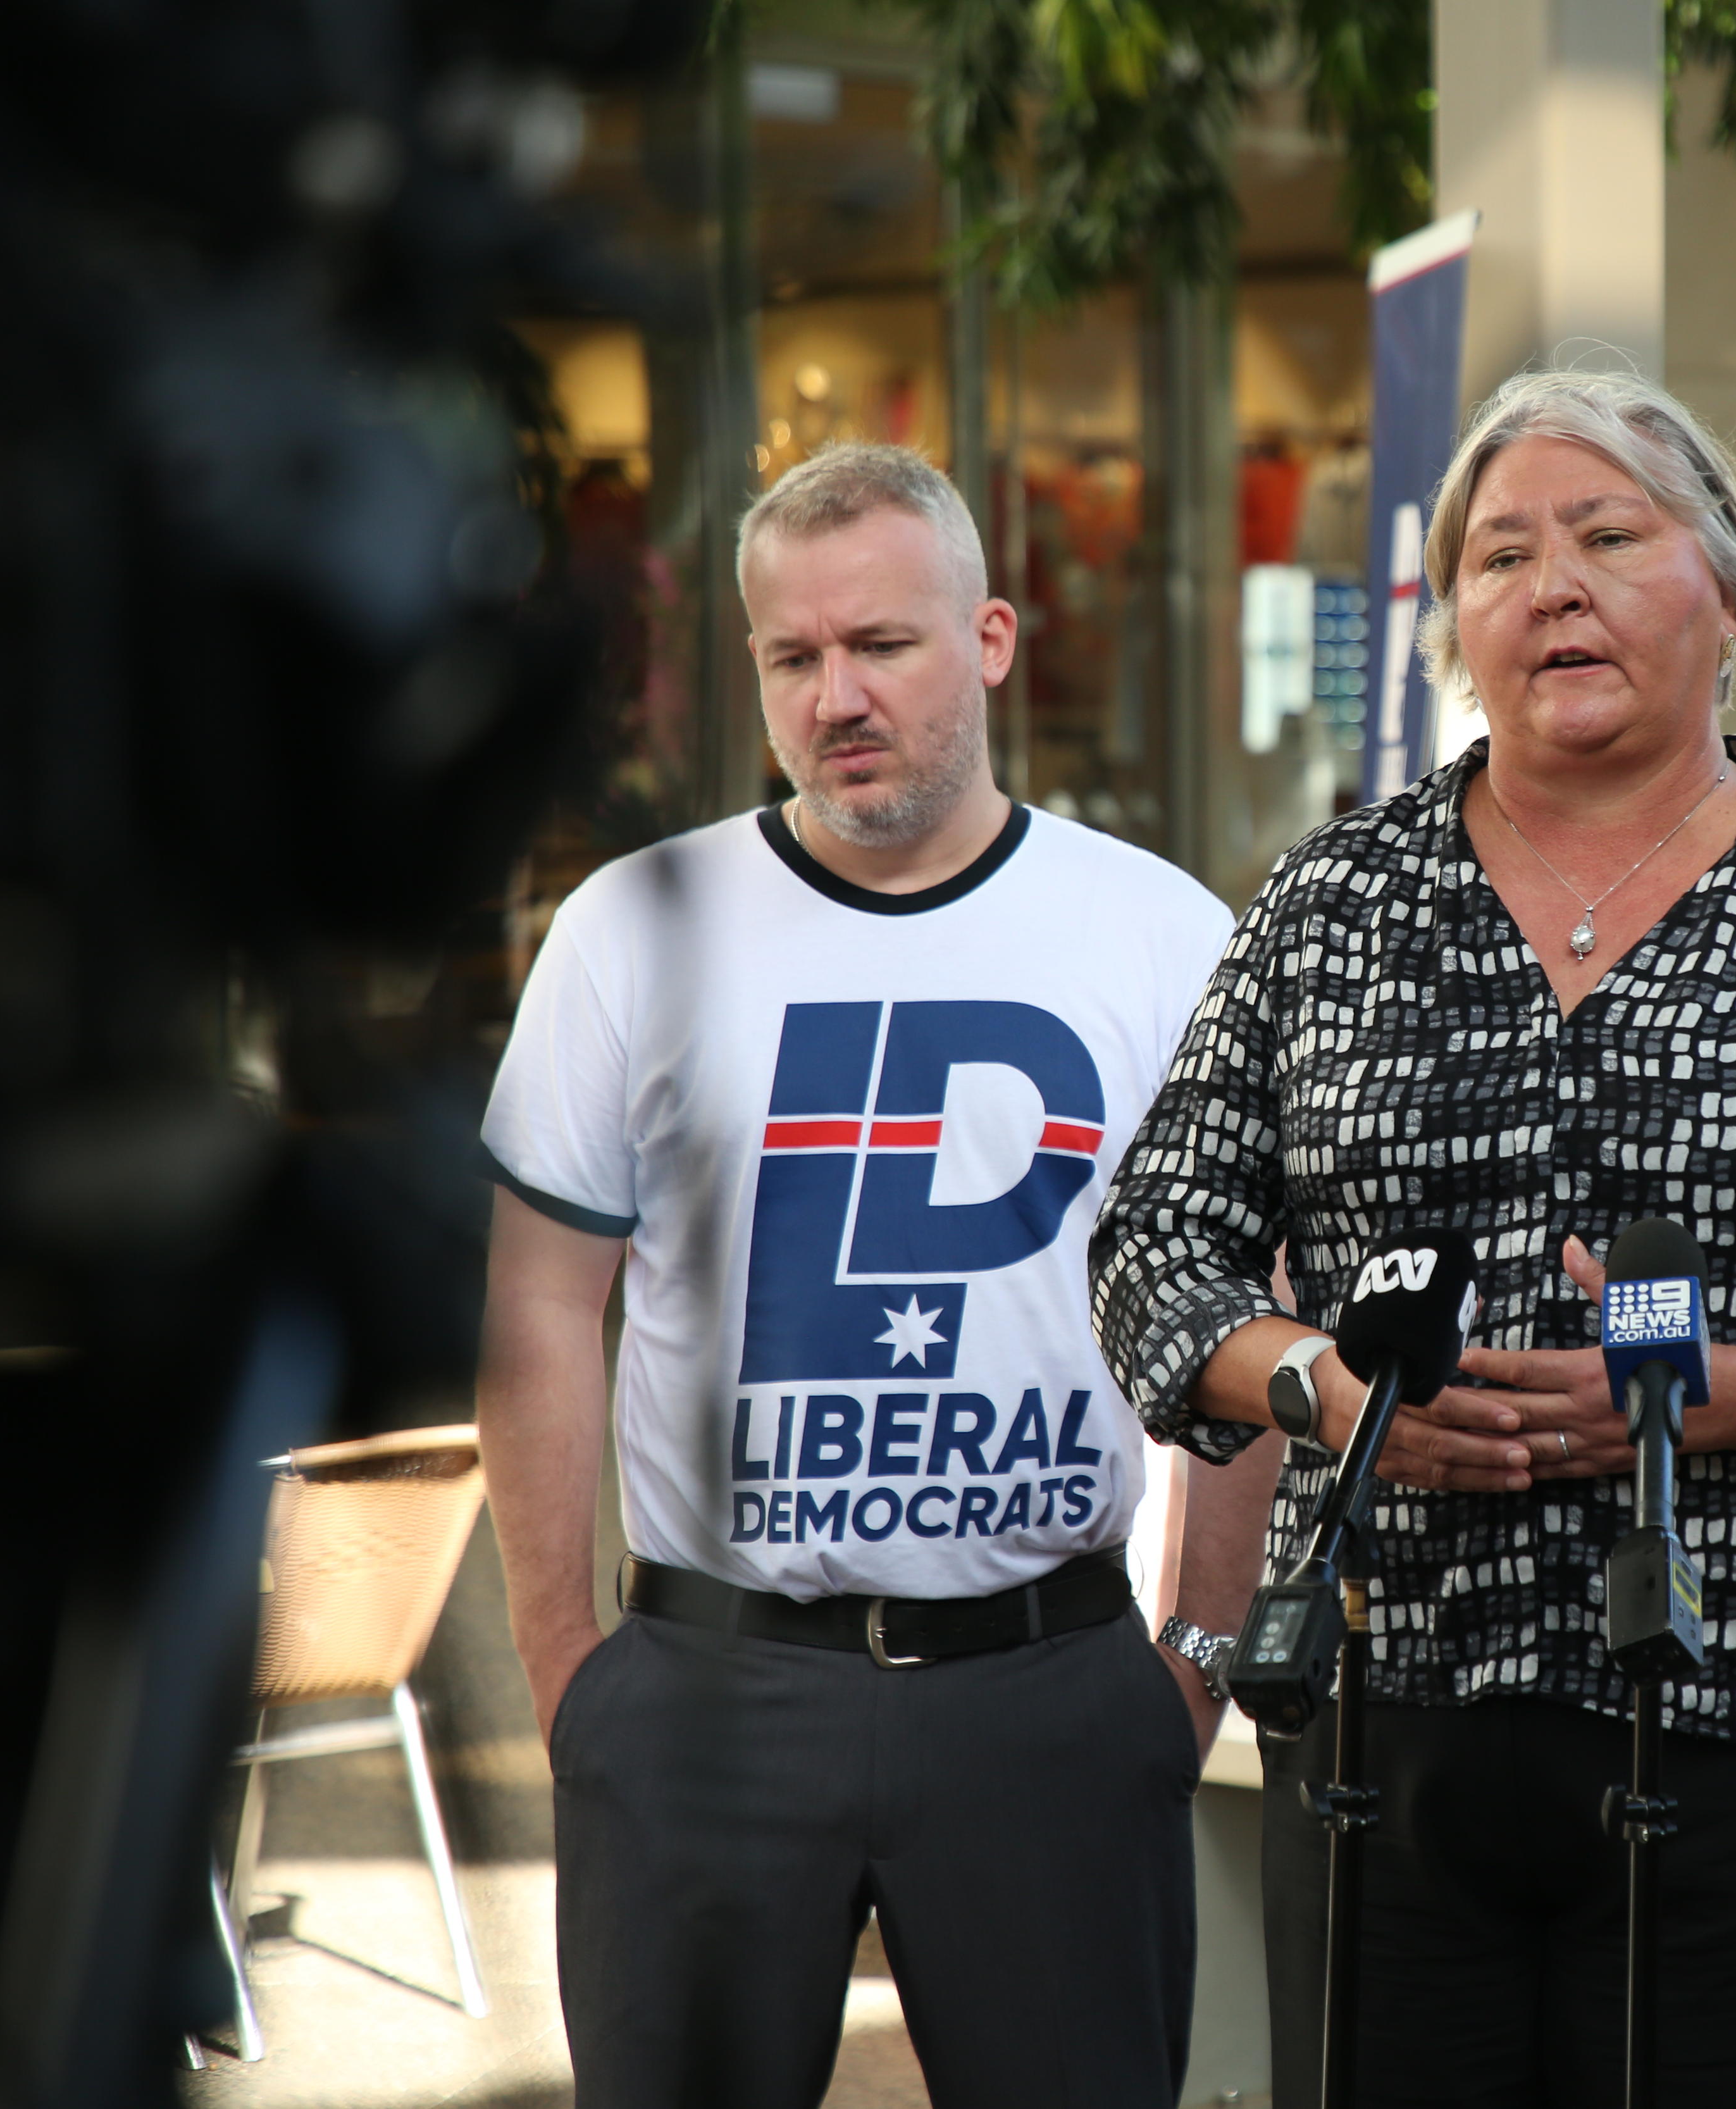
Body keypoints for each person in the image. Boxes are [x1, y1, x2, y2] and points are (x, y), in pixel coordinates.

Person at [1088, 368, 1736, 2109]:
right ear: (1454, 628)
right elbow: (1155, 1246)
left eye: (1609, 535)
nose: (1551, 582)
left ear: (1726, 593)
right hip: (1390, 1713)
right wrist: (1322, 1384)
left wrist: (1692, 1399)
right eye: (1499, 554)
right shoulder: (1333, 904)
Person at [474, 442, 1248, 2108]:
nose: (837, 694)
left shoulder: (1162, 933)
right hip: (703, 1694)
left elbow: (1230, 1317)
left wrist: (1194, 1651)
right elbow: (540, 1303)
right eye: (791, 656)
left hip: (1048, 1685)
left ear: (988, 637)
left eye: (880, 643)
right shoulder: (636, 925)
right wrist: (569, 1673)